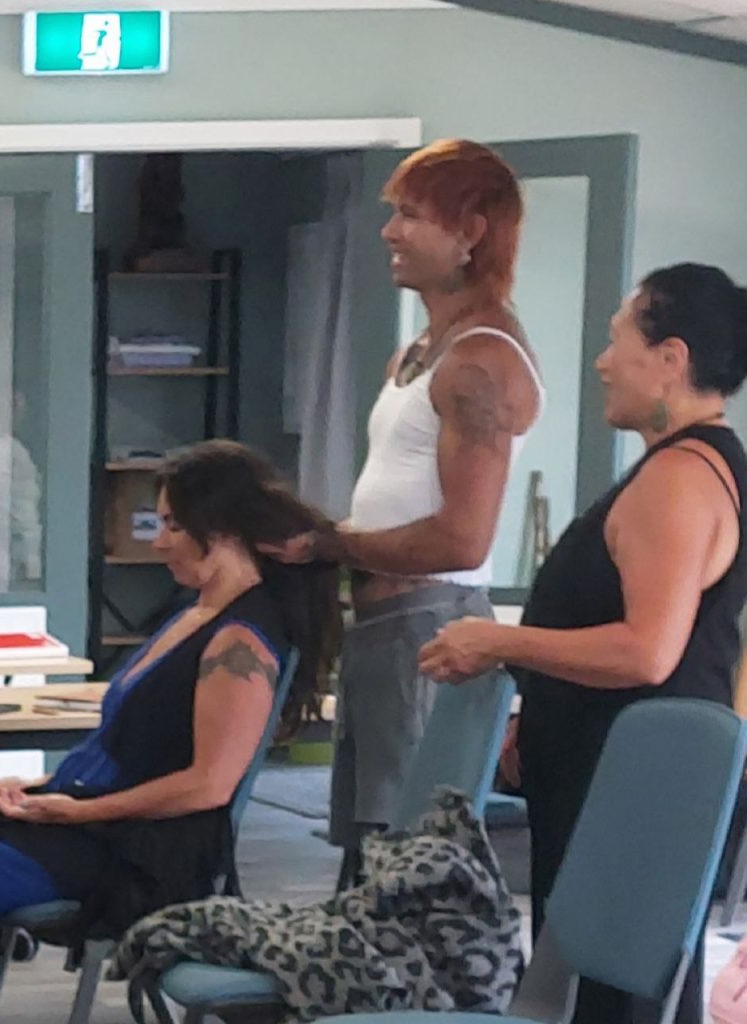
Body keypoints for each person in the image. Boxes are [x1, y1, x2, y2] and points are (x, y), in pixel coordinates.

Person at [0, 439, 340, 1024]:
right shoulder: (192, 614)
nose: (159, 542)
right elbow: (126, 751)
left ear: (223, 530)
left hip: (142, 847)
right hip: (95, 821)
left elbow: (209, 785)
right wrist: (34, 787)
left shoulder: (240, 641)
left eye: (173, 526)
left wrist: (75, 811)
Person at [418, 263, 747, 1024]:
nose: (601, 362)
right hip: (615, 775)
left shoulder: (680, 479)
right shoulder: (685, 467)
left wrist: (500, 643)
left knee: (615, 1000)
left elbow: (646, 652)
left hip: (637, 786)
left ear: (670, 358)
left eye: (616, 340)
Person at [269, 139, 544, 866]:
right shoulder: (420, 351)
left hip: (428, 628)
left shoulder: (480, 360)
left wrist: (332, 544)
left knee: (411, 860)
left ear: (469, 233)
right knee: (368, 852)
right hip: (383, 630)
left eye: (412, 216)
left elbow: (462, 541)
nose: (390, 232)